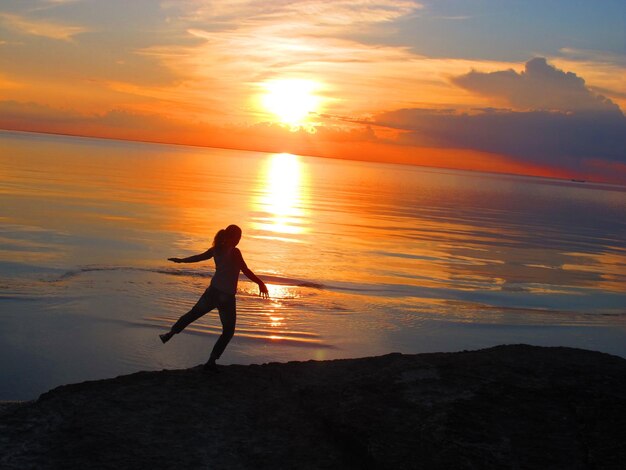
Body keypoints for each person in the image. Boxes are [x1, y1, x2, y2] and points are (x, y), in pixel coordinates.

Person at [159, 224, 269, 371]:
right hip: (226, 297)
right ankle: (211, 360)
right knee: (228, 331)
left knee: (193, 314)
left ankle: (170, 334)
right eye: (238, 237)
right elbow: (245, 270)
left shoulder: (217, 249)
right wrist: (260, 283)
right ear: (231, 237)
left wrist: (181, 260)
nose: (239, 240)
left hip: (212, 291)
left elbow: (198, 257)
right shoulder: (235, 252)